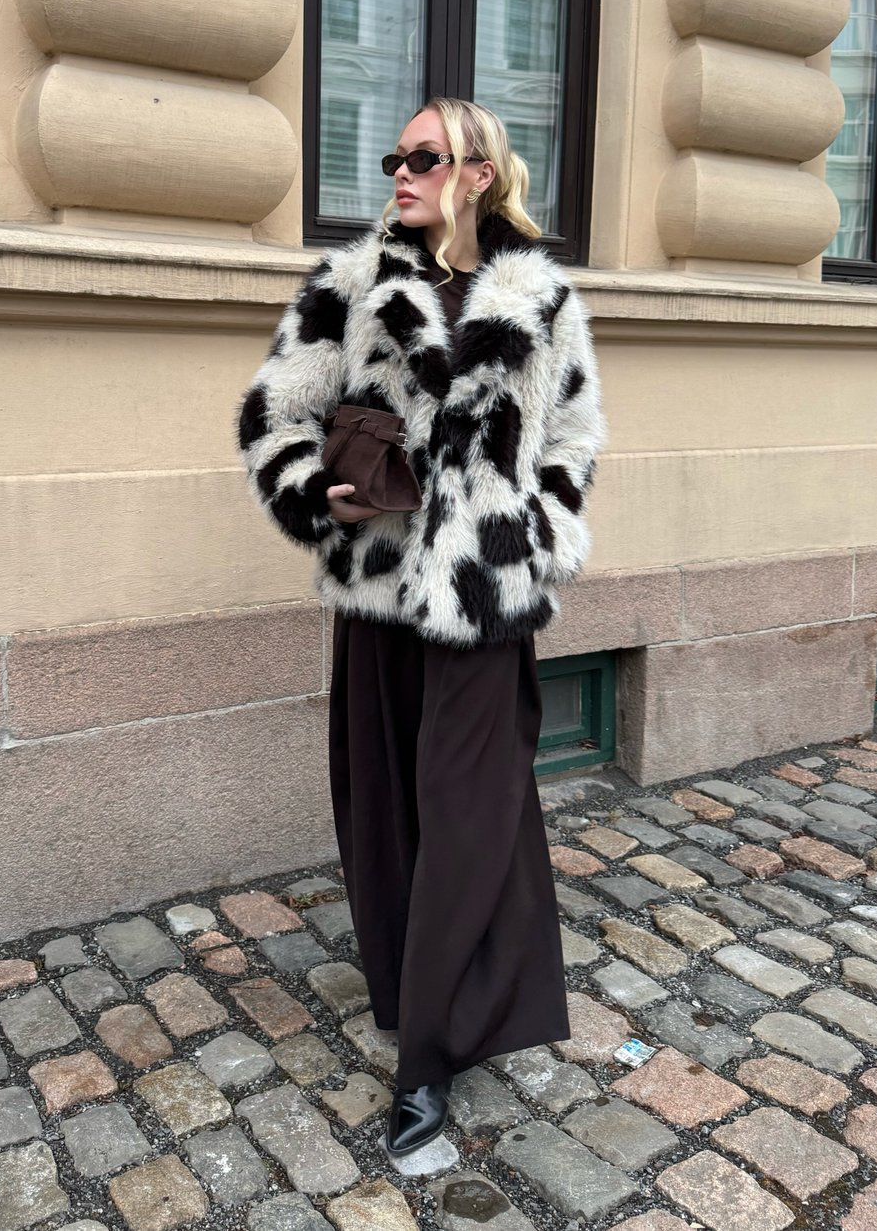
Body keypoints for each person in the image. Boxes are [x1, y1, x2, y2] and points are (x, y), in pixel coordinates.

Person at [237, 96, 606, 1156]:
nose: (398, 172)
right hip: (378, 591)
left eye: (423, 157)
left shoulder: (537, 297)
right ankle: (414, 991)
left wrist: (539, 529)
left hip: (485, 599)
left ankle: (430, 1061)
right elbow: (274, 413)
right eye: (395, 157)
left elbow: (571, 435)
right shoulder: (352, 286)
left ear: (477, 173)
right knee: (387, 808)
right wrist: (317, 491)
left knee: (475, 809)